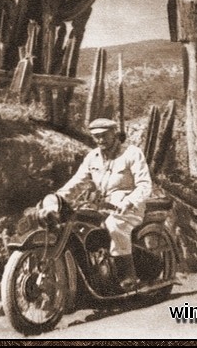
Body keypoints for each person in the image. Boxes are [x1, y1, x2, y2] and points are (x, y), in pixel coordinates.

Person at [56, 117, 152, 290]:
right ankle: (97, 273)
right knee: (80, 224)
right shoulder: (92, 157)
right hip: (102, 206)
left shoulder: (132, 153)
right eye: (96, 136)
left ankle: (127, 275)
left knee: (114, 225)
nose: (100, 140)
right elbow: (77, 182)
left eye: (104, 135)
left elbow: (144, 185)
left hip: (129, 206)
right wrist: (58, 198)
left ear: (114, 133)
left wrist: (129, 202)